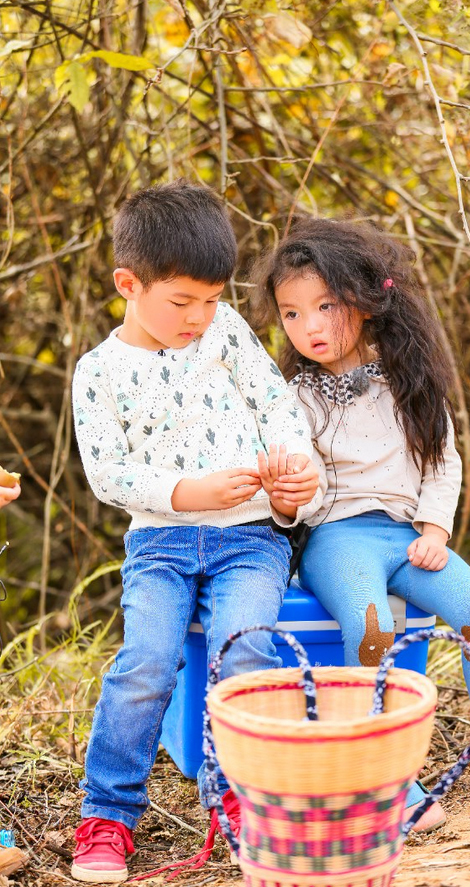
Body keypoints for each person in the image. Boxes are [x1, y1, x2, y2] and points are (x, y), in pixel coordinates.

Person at [252, 217, 470, 834]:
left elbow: (442, 460)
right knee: (372, 623)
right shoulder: (291, 399)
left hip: (408, 535)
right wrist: (287, 500)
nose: (310, 326)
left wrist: (435, 532)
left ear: (364, 301)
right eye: (292, 313)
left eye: (326, 306)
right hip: (335, 539)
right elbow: (299, 489)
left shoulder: (409, 380)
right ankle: (380, 770)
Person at [71, 181, 321, 883]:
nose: (199, 317)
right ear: (129, 283)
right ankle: (107, 815)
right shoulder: (98, 372)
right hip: (160, 544)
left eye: (211, 299)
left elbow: (275, 404)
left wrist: (292, 471)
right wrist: (189, 492)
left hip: (251, 541)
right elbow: (109, 474)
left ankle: (240, 800)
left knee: (245, 653)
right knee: (145, 663)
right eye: (182, 301)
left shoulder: (226, 331)